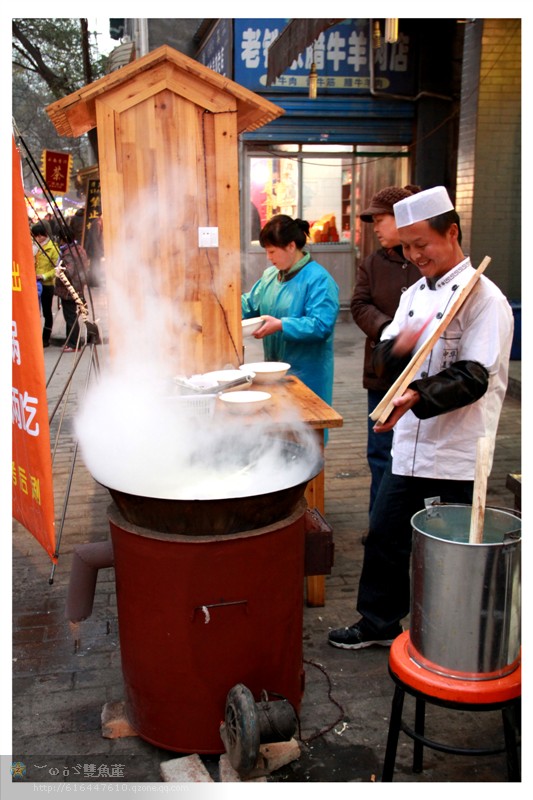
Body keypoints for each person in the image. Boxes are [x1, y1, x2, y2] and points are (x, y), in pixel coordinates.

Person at [328, 186, 514, 650]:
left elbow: (475, 376)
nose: (413, 256)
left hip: (456, 451)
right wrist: (397, 351)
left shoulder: (483, 298)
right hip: (409, 446)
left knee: (448, 550)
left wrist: (417, 396)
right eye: (406, 247)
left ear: (451, 233)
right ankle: (378, 623)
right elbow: (390, 353)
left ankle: (450, 637)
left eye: (421, 245)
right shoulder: (414, 293)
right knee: (385, 537)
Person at [350, 185, 421, 517]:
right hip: (382, 374)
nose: (376, 228)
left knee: (417, 454)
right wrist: (388, 329)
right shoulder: (371, 263)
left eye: (381, 220)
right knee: (380, 454)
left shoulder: (425, 259)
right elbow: (359, 304)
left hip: (422, 376)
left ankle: (414, 523)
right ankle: (379, 524)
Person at [241, 214, 340, 406]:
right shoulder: (270, 276)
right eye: (266, 252)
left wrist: (281, 325)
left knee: (308, 421)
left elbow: (321, 326)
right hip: (273, 373)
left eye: (272, 251)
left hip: (308, 376)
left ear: (291, 246)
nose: (268, 258)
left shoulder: (319, 280)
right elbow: (250, 304)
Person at [54, 226, 90, 351]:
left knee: (70, 317)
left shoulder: (69, 252)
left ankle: (73, 343)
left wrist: (59, 271)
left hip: (69, 290)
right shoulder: (78, 248)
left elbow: (69, 272)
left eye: (60, 238)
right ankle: (71, 341)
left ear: (64, 239)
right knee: (72, 316)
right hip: (78, 287)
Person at [32, 221, 60, 347]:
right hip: (33, 284)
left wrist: (43, 276)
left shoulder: (53, 248)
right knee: (34, 312)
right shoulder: (34, 247)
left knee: (47, 312)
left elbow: (56, 269)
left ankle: (45, 338)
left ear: (43, 235)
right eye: (35, 236)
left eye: (38, 236)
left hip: (47, 285)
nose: (36, 238)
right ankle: (35, 337)